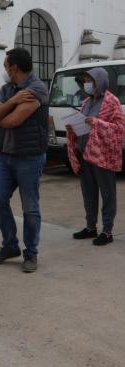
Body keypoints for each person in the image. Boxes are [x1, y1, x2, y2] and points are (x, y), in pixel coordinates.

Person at [0, 48, 49, 273]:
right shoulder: (8, 89)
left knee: (30, 207)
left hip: (30, 157)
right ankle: (10, 246)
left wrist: (2, 113)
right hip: (6, 156)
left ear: (13, 67)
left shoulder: (37, 88)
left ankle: (31, 253)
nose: (4, 70)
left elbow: (12, 120)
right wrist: (13, 100)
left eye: (5, 66)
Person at [66, 68, 125, 245]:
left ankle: (107, 232)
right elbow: (83, 124)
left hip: (103, 155)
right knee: (88, 193)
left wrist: (97, 123)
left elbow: (120, 129)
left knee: (108, 194)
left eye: (89, 79)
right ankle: (91, 227)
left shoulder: (111, 101)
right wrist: (73, 129)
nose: (87, 83)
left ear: (99, 81)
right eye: (85, 80)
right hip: (85, 153)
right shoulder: (86, 102)